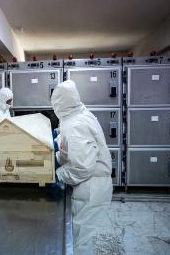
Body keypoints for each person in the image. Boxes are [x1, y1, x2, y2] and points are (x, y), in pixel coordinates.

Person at [51, 80, 113, 254]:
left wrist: (57, 174)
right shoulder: (79, 114)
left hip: (91, 186)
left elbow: (81, 167)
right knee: (81, 236)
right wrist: (56, 150)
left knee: (81, 241)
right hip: (92, 184)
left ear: (59, 104)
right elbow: (70, 148)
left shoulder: (74, 124)